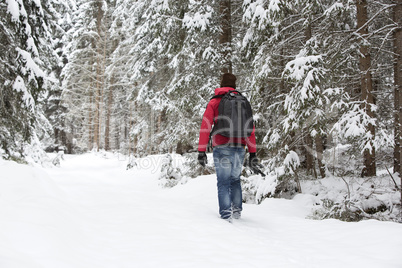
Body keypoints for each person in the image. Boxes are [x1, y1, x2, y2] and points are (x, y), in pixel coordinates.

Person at [197, 73, 259, 222]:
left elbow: (205, 126)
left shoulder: (215, 102)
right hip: (240, 147)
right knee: (235, 180)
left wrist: (201, 150)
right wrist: (253, 153)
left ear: (222, 83)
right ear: (234, 85)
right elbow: (250, 128)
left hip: (221, 146)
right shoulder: (242, 102)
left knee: (223, 182)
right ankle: (237, 213)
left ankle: (226, 216)